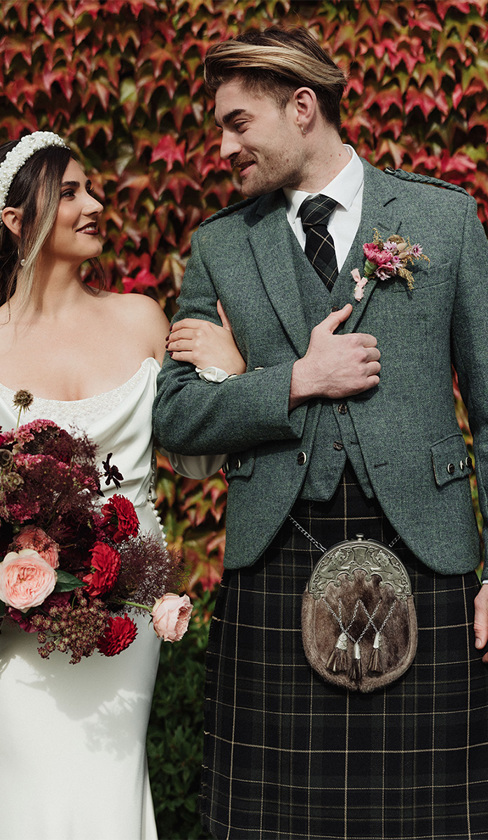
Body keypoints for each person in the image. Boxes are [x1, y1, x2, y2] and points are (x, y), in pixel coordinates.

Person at [154, 25, 488, 840]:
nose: (222, 146)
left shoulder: (443, 220)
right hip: (277, 559)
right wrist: (295, 380)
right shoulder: (220, 246)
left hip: (431, 556)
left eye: (238, 123)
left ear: (302, 107)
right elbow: (174, 415)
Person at [0, 130, 242, 840]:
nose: (94, 204)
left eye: (92, 188)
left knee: (104, 786)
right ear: (15, 220)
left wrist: (229, 371)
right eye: (68, 192)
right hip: (10, 624)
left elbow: (197, 455)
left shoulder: (141, 320)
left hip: (126, 612)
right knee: (17, 795)